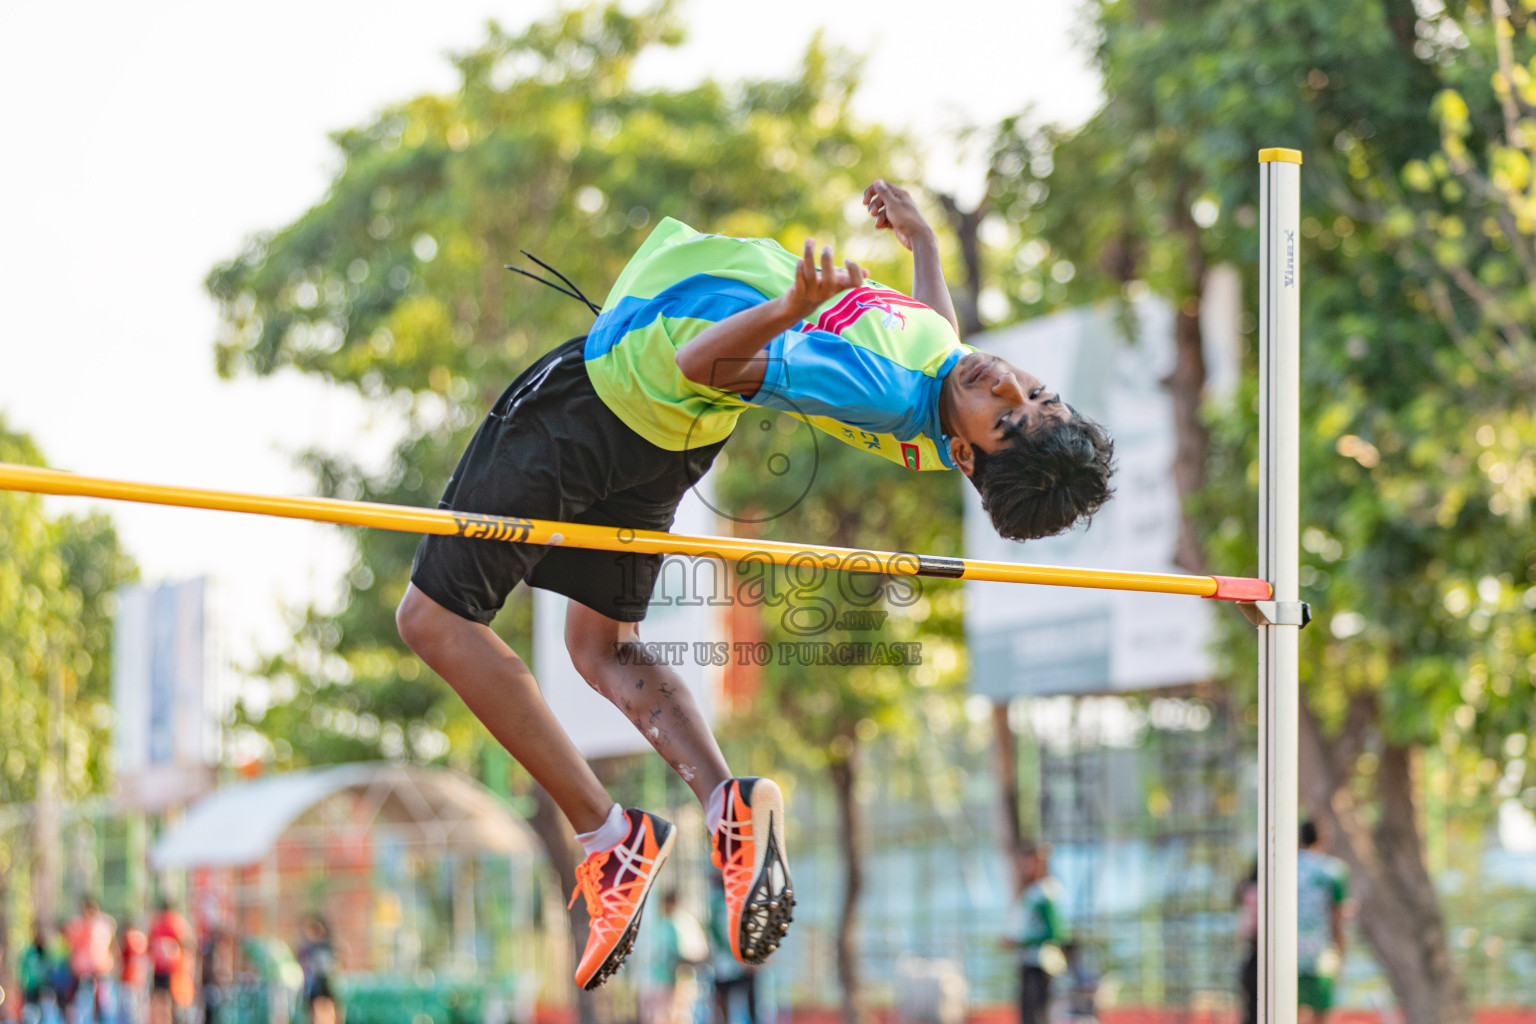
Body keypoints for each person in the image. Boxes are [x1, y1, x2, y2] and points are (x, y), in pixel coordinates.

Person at [395, 179, 1115, 990]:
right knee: (598, 645)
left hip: (603, 401)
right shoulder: (943, 370)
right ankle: (724, 804)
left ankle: (606, 837)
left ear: (965, 454)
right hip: (668, 437)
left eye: (1009, 418)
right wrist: (926, 248)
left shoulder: (874, 387)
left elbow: (698, 362)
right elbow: (941, 344)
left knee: (434, 620)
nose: (1007, 386)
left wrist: (789, 306)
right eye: (1034, 391)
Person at [1004, 844, 1067, 1024]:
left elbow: (1055, 933)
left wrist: (1019, 941)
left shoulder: (1045, 892)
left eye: (1029, 863)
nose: (1024, 868)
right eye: (1022, 863)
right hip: (1028, 961)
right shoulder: (1031, 891)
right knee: (1028, 1014)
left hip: (1041, 963)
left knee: (1037, 1015)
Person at [1297, 821, 1347, 1024]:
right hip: (1321, 953)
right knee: (1321, 1014)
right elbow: (1337, 916)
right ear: (1323, 839)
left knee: (1289, 1011)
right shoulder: (1334, 870)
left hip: (1287, 953)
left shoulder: (1284, 868)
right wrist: (1341, 950)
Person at [640, 893, 707, 1024]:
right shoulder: (665, 924)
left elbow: (689, 953)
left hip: (678, 979)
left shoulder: (678, 923)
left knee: (676, 1015)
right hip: (665, 979)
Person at [706, 876, 758, 1024]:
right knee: (728, 1003)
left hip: (733, 963)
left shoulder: (723, 903)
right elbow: (721, 934)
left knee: (736, 1003)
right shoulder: (720, 904)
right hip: (730, 963)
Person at [64, 898, 115, 1024]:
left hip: (101, 970)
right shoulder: (79, 926)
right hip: (85, 972)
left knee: (105, 1005)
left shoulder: (102, 925)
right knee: (85, 1005)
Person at [145, 901, 192, 1024]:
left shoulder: (174, 923)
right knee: (162, 1000)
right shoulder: (164, 924)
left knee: (168, 1001)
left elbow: (185, 943)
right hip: (163, 969)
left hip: (171, 969)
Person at [297, 917, 339, 1024]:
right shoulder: (307, 948)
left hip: (323, 983)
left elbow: (331, 965)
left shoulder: (325, 946)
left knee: (325, 1004)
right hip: (313, 985)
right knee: (317, 1006)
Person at [1235, 862, 1259, 1024]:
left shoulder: (1249, 892)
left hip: (1251, 957)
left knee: (1251, 1012)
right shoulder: (1259, 893)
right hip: (1257, 957)